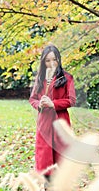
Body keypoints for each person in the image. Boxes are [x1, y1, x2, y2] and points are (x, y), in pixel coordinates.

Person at [29, 45, 76, 181]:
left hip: (60, 122)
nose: (51, 64)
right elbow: (33, 99)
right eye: (47, 61)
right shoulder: (40, 78)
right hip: (44, 122)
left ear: (59, 60)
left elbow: (71, 100)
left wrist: (54, 104)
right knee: (45, 162)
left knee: (61, 160)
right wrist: (40, 105)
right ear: (43, 62)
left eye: (54, 60)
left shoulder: (67, 78)